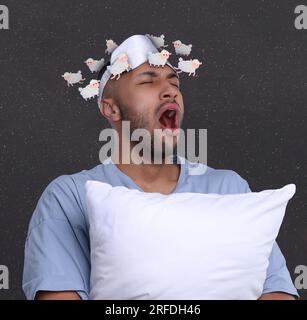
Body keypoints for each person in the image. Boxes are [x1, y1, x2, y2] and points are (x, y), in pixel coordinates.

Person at [22, 34, 298, 300]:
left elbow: (275, 289)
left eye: (174, 82)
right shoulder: (69, 197)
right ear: (111, 109)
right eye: (148, 82)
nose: (170, 91)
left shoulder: (229, 188)